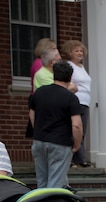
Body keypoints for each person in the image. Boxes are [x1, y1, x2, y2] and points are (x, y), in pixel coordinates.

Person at [29, 61, 82, 189]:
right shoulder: (70, 98)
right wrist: (77, 144)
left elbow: (32, 115)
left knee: (42, 183)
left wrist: (38, 131)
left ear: (54, 75)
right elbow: (77, 125)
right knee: (55, 184)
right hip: (60, 143)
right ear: (70, 78)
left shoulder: (39, 93)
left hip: (39, 141)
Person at [60, 40, 92, 167]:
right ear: (70, 53)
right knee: (74, 129)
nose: (80, 53)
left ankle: (80, 159)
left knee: (82, 131)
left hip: (85, 102)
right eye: (76, 51)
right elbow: (67, 83)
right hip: (75, 100)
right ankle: (72, 159)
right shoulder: (69, 66)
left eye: (81, 51)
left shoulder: (81, 66)